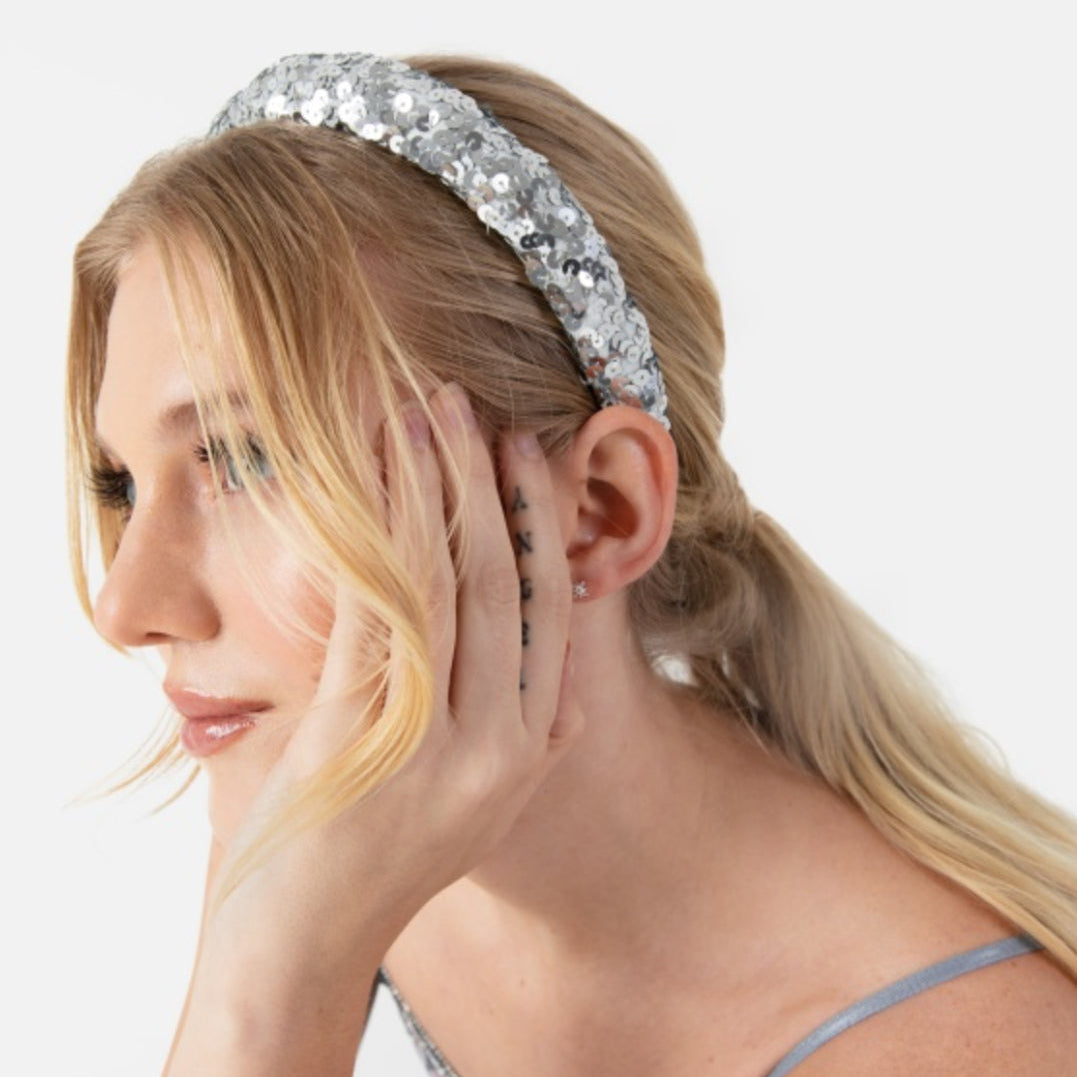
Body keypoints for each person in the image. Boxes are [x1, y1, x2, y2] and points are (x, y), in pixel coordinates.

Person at [67, 52, 1077, 1076]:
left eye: (245, 459)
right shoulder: (350, 807)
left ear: (596, 511)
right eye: (122, 486)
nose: (126, 604)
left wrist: (267, 999)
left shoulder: (969, 1051)